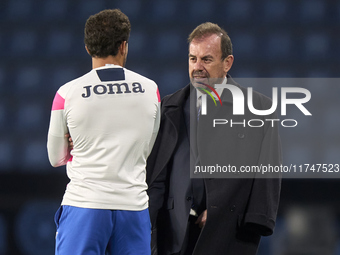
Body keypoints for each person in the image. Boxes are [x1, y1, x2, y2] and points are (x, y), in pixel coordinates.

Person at [146, 22, 282, 255]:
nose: (197, 67)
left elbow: (267, 172)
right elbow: (156, 173)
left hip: (228, 232)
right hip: (173, 234)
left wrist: (238, 217)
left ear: (227, 63)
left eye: (206, 59)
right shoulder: (168, 108)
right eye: (192, 59)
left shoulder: (259, 108)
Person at [47, 9, 160, 255]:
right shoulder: (151, 90)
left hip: (84, 206)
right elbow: (146, 148)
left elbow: (55, 158)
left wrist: (75, 146)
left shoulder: (67, 93)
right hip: (133, 207)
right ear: (124, 46)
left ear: (87, 48)